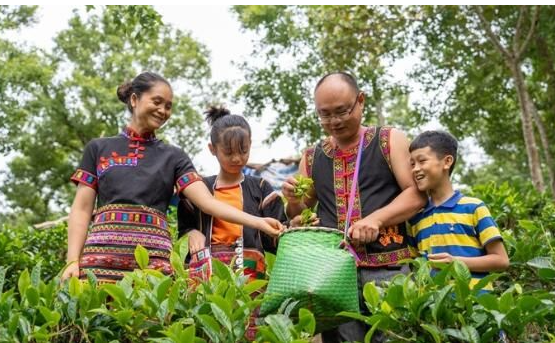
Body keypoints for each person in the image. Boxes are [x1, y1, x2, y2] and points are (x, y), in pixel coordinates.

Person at [61, 72, 282, 283]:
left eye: (168, 106)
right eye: (157, 102)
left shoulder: (174, 156)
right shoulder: (98, 149)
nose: (163, 110)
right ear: (135, 99)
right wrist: (72, 261)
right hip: (99, 266)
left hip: (155, 269)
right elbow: (81, 209)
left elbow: (208, 202)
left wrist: (258, 222)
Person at [281, 71, 426, 342]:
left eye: (341, 111)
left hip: (389, 269)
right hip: (335, 276)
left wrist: (377, 219)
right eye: (325, 115)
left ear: (360, 101)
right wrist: (292, 200)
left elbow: (416, 195)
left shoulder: (388, 140)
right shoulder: (312, 158)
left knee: (395, 335)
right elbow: (299, 215)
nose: (334, 121)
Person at [179, 106, 286, 280]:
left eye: (243, 151)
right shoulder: (200, 189)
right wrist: (191, 233)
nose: (237, 158)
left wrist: (292, 223)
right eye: (228, 152)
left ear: (250, 144)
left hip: (250, 273)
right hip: (206, 273)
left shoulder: (260, 187)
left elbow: (276, 234)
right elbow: (184, 227)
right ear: (212, 149)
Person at [407, 130, 509, 290]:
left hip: (476, 307)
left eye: (422, 161)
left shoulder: (474, 207)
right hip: (434, 310)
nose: (415, 169)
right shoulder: (415, 219)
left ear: (447, 162)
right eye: (412, 164)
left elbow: (501, 260)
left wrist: (455, 262)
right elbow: (415, 267)